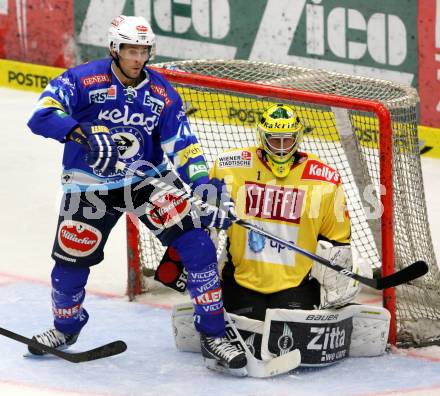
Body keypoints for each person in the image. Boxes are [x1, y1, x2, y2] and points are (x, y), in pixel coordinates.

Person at [26, 15, 246, 371]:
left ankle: (214, 333)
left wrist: (203, 183)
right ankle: (66, 328)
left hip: (147, 180)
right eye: (130, 50)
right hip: (90, 184)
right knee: (69, 266)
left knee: (198, 245)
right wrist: (79, 132)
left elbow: (183, 144)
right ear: (114, 48)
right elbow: (40, 114)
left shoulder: (160, 92)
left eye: (143, 50)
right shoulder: (84, 79)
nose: (137, 58)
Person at [209, 104, 363, 321]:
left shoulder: (324, 178)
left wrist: (337, 284)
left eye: (287, 139)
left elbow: (337, 241)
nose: (281, 148)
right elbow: (206, 223)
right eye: (274, 140)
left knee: (291, 344)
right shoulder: (229, 166)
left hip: (296, 283)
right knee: (247, 338)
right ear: (262, 137)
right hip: (242, 279)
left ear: (297, 137)